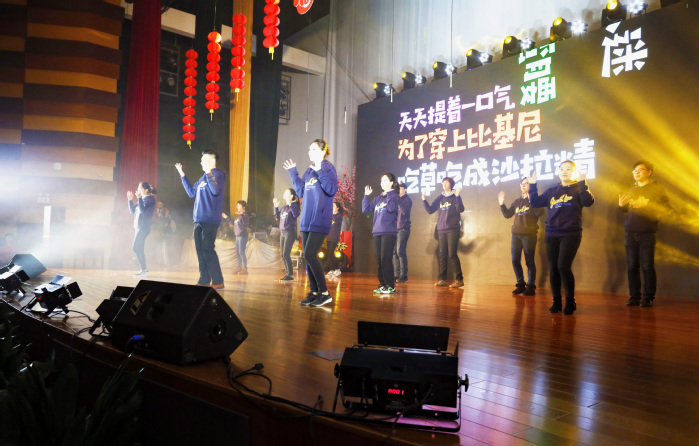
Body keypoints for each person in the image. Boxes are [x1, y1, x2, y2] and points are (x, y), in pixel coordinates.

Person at [528, 160, 594, 315]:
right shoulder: (552, 191)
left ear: (574, 172)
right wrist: (533, 185)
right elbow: (535, 202)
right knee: (553, 269)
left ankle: (570, 302)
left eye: (569, 169)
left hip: (570, 233)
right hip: (551, 233)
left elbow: (588, 202)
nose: (564, 171)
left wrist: (582, 183)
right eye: (562, 168)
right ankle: (556, 301)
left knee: (563, 267)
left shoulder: (578, 188)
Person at [283, 139, 338, 307]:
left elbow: (331, 189)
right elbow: (300, 191)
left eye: (313, 149)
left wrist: (320, 170)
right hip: (306, 220)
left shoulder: (328, 168)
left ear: (322, 151)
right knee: (308, 257)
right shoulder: (308, 170)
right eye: (309, 149)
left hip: (320, 219)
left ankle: (324, 293)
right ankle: (314, 292)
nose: (310, 151)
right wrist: (293, 173)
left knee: (310, 254)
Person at [619, 161, 672, 307]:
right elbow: (626, 210)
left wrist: (649, 206)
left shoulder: (657, 189)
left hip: (647, 233)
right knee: (632, 266)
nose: (637, 172)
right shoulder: (631, 189)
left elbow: (666, 209)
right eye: (635, 170)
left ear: (649, 172)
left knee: (647, 266)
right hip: (630, 233)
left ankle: (648, 297)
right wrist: (622, 206)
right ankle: (634, 296)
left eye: (640, 170)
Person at [176, 151, 226, 290]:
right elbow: (191, 192)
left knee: (207, 249)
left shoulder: (218, 174)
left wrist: (209, 173)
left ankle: (218, 281)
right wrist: (182, 175)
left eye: (203, 160)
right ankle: (204, 279)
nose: (201, 163)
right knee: (200, 250)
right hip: (198, 219)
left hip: (210, 219)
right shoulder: (203, 177)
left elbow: (215, 190)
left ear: (211, 161)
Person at [498, 178, 544, 296]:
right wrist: (501, 204)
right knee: (515, 260)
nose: (523, 185)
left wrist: (532, 199)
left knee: (529, 261)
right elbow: (507, 214)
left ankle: (530, 286)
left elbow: (540, 213)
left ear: (531, 185)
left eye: (526, 183)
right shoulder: (517, 201)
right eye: (522, 184)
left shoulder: (535, 200)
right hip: (516, 235)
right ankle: (520, 284)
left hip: (529, 235)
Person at [422, 177, 465, 288]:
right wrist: (424, 199)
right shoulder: (440, 198)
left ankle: (459, 280)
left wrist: (458, 197)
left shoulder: (455, 196)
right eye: (443, 183)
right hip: (441, 230)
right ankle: (442, 279)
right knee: (442, 254)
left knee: (452, 255)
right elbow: (430, 210)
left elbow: (460, 209)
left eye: (446, 182)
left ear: (451, 184)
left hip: (453, 229)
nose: (444, 184)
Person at [363, 173, 400, 294]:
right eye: (381, 180)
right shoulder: (378, 198)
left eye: (384, 180)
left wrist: (389, 193)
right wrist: (366, 196)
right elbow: (366, 209)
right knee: (379, 259)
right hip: (377, 231)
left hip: (388, 231)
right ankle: (382, 284)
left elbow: (391, 208)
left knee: (385, 258)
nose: (382, 183)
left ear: (391, 183)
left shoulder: (394, 195)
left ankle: (390, 285)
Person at [127, 182, 156, 278]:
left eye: (140, 188)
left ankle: (144, 269)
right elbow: (132, 211)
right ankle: (144, 269)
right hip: (138, 227)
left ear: (146, 190)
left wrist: (139, 198)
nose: (138, 189)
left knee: (135, 248)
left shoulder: (150, 199)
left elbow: (143, 211)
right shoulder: (142, 199)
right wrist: (130, 200)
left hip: (144, 227)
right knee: (139, 248)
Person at [274, 189, 301, 282]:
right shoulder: (285, 207)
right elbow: (277, 217)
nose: (284, 193)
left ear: (291, 196)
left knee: (286, 254)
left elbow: (296, 214)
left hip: (290, 232)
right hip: (283, 232)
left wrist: (291, 204)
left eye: (287, 192)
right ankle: (287, 274)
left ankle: (290, 275)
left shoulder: (293, 206)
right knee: (283, 255)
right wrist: (276, 207)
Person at [393, 182, 412, 283]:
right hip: (394, 229)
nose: (399, 190)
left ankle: (403, 275)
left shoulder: (407, 200)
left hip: (403, 229)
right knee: (394, 252)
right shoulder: (396, 200)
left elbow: (405, 211)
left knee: (400, 251)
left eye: (400, 188)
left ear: (405, 190)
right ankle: (396, 274)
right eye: (398, 188)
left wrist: (398, 200)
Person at [223, 200, 249, 275]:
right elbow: (234, 223)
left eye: (239, 206)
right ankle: (239, 267)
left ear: (243, 207)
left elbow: (246, 223)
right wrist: (226, 217)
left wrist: (242, 215)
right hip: (237, 236)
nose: (237, 207)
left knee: (241, 252)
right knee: (238, 252)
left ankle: (245, 268)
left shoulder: (245, 214)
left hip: (243, 236)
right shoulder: (239, 216)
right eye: (237, 205)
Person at [325, 202, 344, 278]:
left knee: (331, 253)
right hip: (329, 236)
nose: (332, 207)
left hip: (334, 237)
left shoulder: (339, 216)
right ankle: (332, 270)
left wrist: (332, 214)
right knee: (329, 254)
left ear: (337, 208)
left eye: (333, 206)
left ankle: (337, 269)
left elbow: (336, 222)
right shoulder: (330, 215)